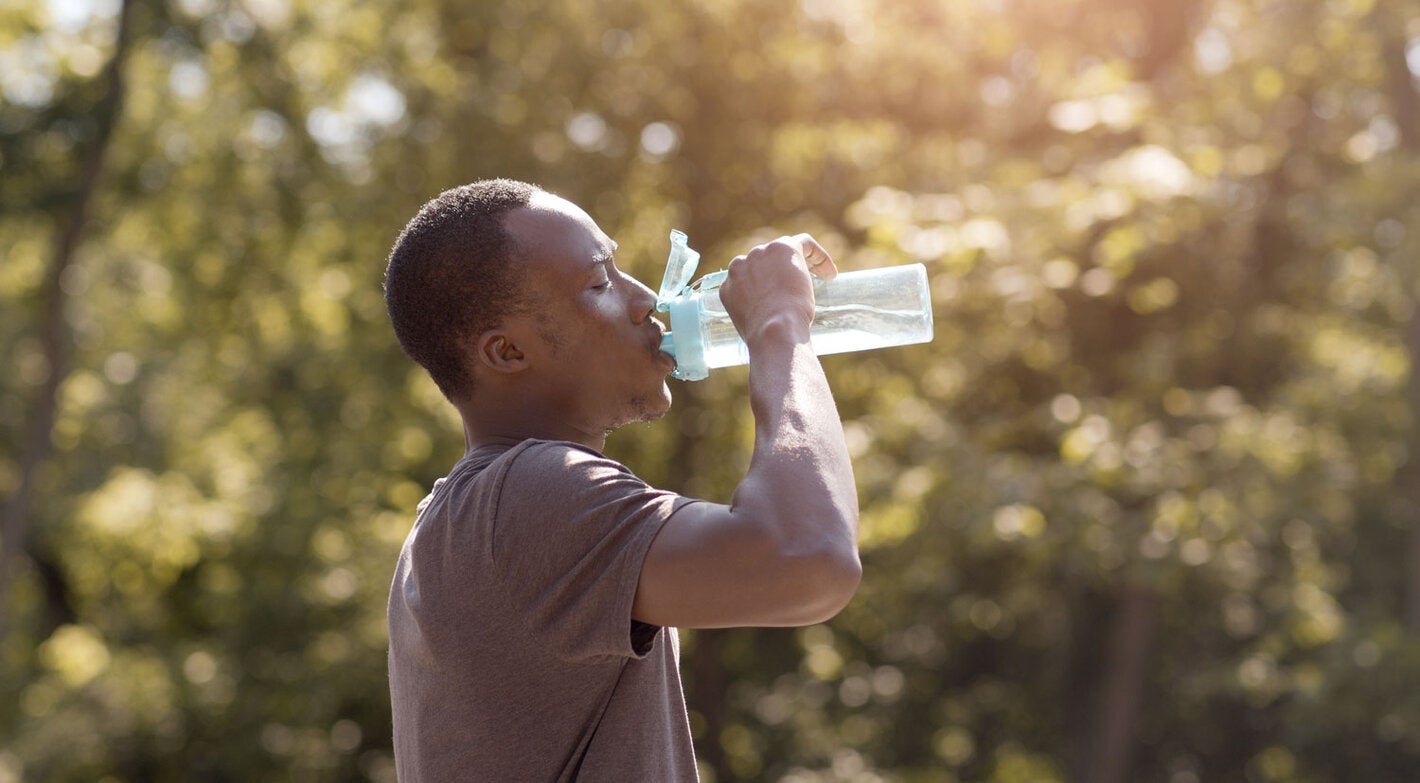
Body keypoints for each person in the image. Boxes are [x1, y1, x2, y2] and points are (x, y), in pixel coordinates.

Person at [382, 178, 861, 782]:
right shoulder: (528, 495)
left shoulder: (461, 517)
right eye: (599, 282)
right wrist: (780, 328)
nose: (644, 302)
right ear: (506, 352)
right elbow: (810, 560)